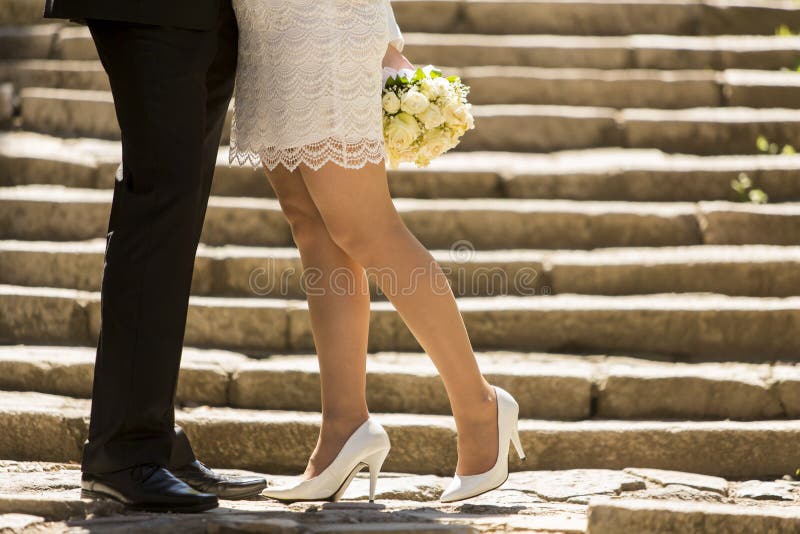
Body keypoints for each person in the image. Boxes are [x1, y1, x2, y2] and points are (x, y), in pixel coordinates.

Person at [228, 0, 525, 504]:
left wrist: (384, 34)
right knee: (312, 229)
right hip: (263, 25)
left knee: (366, 227)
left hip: (326, 20)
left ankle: (479, 407)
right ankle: (344, 425)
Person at [42, 0, 267, 513]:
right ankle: (123, 454)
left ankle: (151, 438)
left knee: (175, 221)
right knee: (159, 214)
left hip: (207, 16)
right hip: (152, 9)